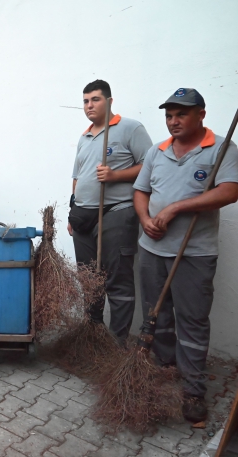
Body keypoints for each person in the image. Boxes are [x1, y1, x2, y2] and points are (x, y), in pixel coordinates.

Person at [133, 88, 238, 423]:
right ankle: (166, 368)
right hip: (152, 250)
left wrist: (177, 207)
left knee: (192, 321)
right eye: (169, 115)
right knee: (157, 314)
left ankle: (193, 389)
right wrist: (146, 219)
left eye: (181, 114)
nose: (173, 121)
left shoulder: (220, 149)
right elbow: (140, 190)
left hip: (193, 253)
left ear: (201, 115)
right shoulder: (157, 150)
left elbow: (231, 191)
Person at [68, 79, 153, 344]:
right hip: (83, 216)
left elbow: (150, 165)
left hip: (116, 210)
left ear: (110, 101)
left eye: (95, 99)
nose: (89, 105)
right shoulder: (85, 136)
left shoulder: (130, 128)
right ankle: (93, 337)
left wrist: (116, 175)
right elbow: (77, 176)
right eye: (85, 101)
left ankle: (117, 343)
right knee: (89, 279)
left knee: (117, 278)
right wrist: (73, 209)